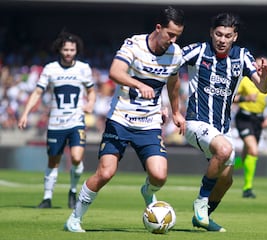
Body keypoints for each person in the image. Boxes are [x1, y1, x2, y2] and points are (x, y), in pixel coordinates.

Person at [64, 6, 186, 233]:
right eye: (170, 34)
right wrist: (139, 84)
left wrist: (176, 111)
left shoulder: (176, 53)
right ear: (158, 28)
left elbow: (173, 83)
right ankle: (74, 218)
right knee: (105, 173)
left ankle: (148, 191)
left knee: (159, 176)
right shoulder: (134, 44)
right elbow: (115, 72)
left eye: (178, 35)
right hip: (120, 120)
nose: (174, 39)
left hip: (149, 123)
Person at [181, 13, 267, 232]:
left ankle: (202, 217)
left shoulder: (242, 56)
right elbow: (169, 64)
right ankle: (201, 202)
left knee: (226, 180)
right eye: (218, 34)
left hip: (222, 127)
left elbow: (263, 88)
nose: (222, 39)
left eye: (227, 36)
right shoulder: (198, 50)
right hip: (195, 122)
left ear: (235, 37)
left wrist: (265, 77)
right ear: (212, 33)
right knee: (224, 149)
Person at [18, 31, 96, 209]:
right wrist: (25, 113)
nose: (69, 52)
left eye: (72, 49)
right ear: (60, 50)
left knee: (76, 158)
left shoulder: (84, 68)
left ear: (77, 50)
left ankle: (73, 191)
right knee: (53, 160)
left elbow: (91, 91)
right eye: (66, 49)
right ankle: (47, 198)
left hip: (76, 121)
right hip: (56, 123)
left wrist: (90, 103)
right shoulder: (50, 69)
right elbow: (38, 92)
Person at [233, 56, 267, 198]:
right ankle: (247, 188)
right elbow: (232, 97)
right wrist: (245, 99)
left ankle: (229, 165)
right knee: (253, 150)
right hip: (244, 117)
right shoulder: (246, 79)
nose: (262, 67)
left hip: (258, 120)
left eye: (265, 65)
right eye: (260, 64)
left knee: (247, 152)